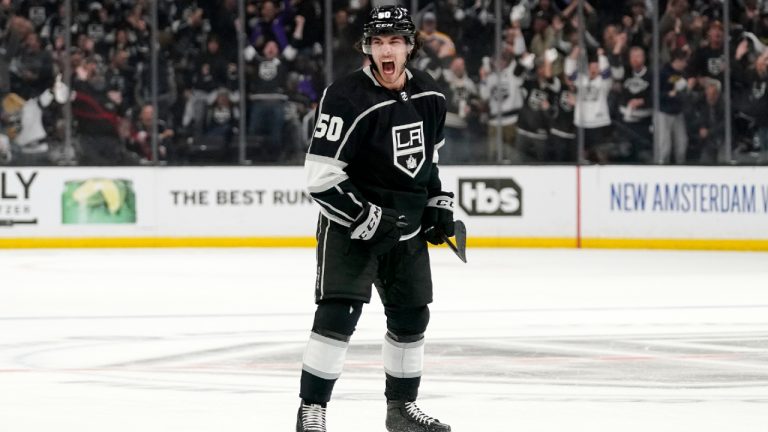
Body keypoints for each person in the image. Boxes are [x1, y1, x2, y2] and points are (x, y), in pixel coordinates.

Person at [297, 6, 453, 432]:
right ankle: (312, 411)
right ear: (368, 47)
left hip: (407, 230)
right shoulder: (345, 96)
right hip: (352, 228)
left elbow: (428, 161)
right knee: (338, 314)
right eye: (379, 42)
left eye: (396, 41)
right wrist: (365, 216)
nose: (387, 50)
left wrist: (437, 200)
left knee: (411, 316)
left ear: (410, 48)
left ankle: (400, 410)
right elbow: (320, 178)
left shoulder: (431, 95)